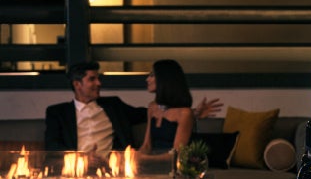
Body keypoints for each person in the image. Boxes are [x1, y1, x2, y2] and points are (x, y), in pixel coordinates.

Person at [44, 61, 221, 166]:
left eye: (99, 78)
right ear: (77, 84)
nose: (99, 83)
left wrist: (193, 113)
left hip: (113, 165)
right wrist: (80, 158)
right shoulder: (57, 113)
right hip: (75, 166)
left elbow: (164, 114)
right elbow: (52, 147)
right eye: (92, 79)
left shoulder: (113, 105)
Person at [137, 59, 195, 164]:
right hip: (151, 165)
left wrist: (146, 159)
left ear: (164, 79)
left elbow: (177, 154)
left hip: (174, 168)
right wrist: (133, 156)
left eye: (152, 75)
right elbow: (146, 146)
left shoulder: (184, 113)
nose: (147, 79)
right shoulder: (152, 107)